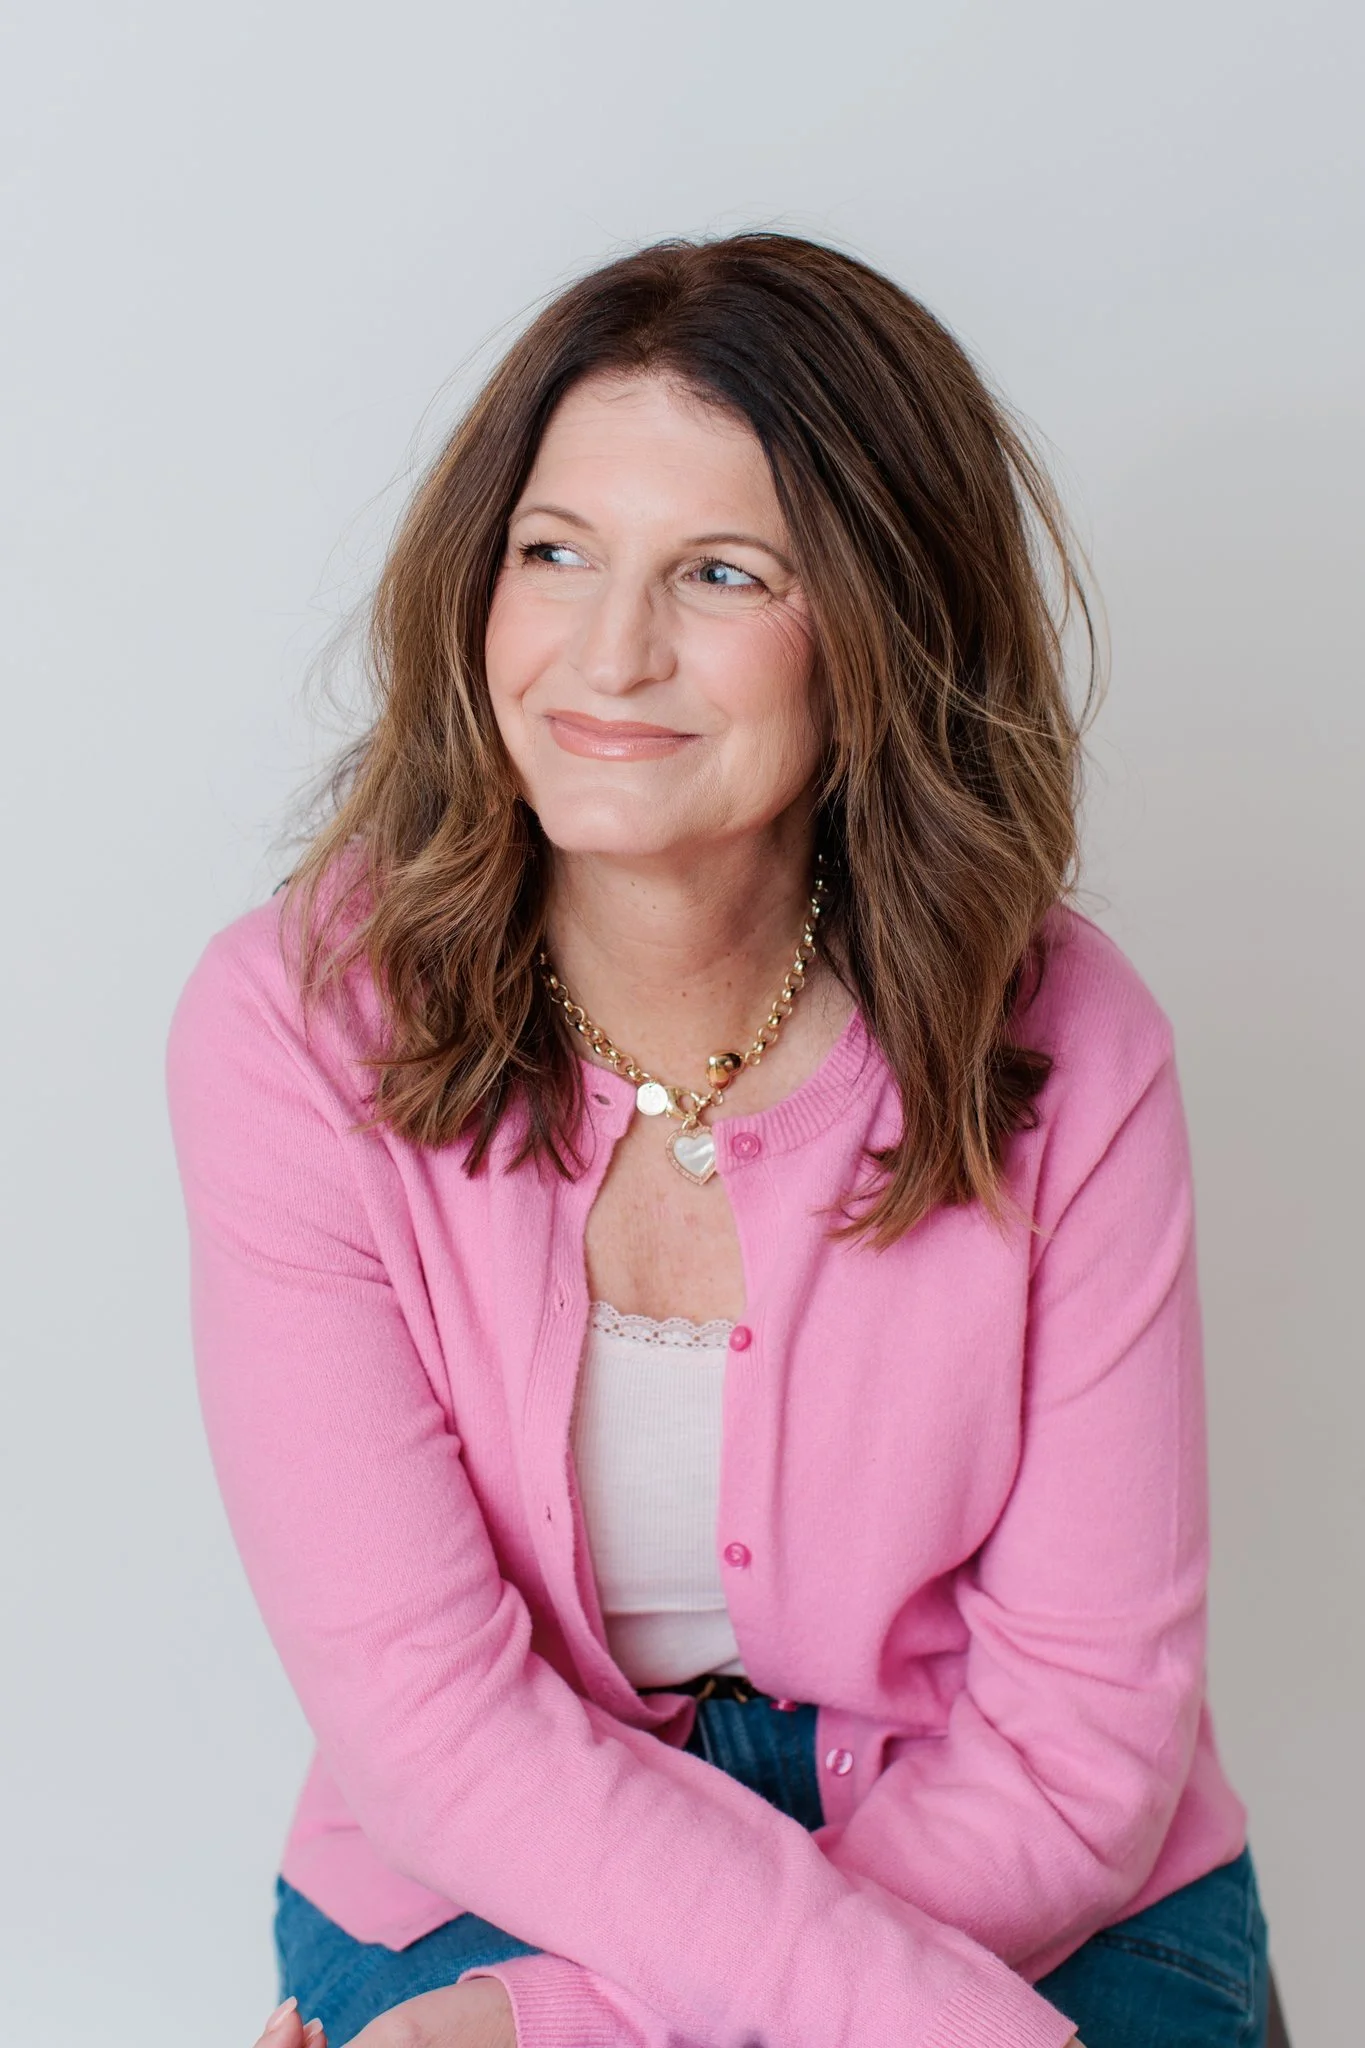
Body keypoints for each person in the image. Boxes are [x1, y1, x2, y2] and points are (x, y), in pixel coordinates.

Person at [166, 232, 1269, 2048]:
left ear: (883, 628)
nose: (611, 652)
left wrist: (591, 2027)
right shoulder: (293, 1032)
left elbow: (1081, 1739)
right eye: (556, 553)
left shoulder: (1074, 1039)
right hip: (494, 1857)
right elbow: (437, 1719)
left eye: (721, 573)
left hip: (1032, 1863)